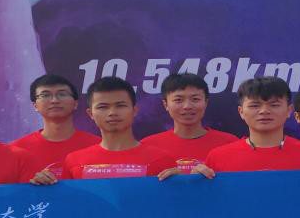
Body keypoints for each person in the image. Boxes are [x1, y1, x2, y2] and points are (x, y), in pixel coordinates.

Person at [33, 77, 194, 181]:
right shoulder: (74, 161)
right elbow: (67, 207)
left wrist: (183, 185)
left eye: (120, 105)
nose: (112, 113)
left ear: (134, 110)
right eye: (103, 107)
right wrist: (43, 185)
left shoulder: (162, 159)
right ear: (90, 114)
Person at [205, 78, 300, 172]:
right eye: (255, 105)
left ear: (289, 110)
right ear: (241, 112)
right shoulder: (218, 157)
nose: (264, 111)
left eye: (274, 105)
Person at [139, 73, 237, 171]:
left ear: (206, 102)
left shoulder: (229, 143)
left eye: (195, 99)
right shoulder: (147, 146)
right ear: (166, 105)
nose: (187, 106)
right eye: (178, 100)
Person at [8, 75, 98, 179]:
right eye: (45, 95)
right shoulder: (15, 150)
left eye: (62, 94)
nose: (54, 100)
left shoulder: (97, 145)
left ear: (75, 103)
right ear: (35, 106)